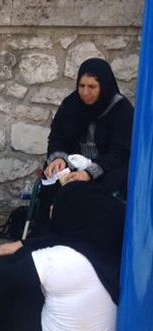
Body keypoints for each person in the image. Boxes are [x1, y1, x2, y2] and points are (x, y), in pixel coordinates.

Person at [0, 182, 125, 331]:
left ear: (74, 211)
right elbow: (64, 239)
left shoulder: (62, 259)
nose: (52, 208)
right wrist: (26, 244)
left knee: (13, 296)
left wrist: (24, 248)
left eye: (58, 203)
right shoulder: (115, 250)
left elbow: (2, 272)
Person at [36, 57, 134, 235]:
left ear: (103, 86)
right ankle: (48, 236)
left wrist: (89, 173)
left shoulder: (122, 110)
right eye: (81, 86)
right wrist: (58, 158)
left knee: (89, 189)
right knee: (51, 180)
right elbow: (57, 137)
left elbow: (120, 153)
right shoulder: (71, 104)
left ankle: (87, 238)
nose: (85, 92)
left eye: (92, 87)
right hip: (74, 164)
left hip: (108, 168)